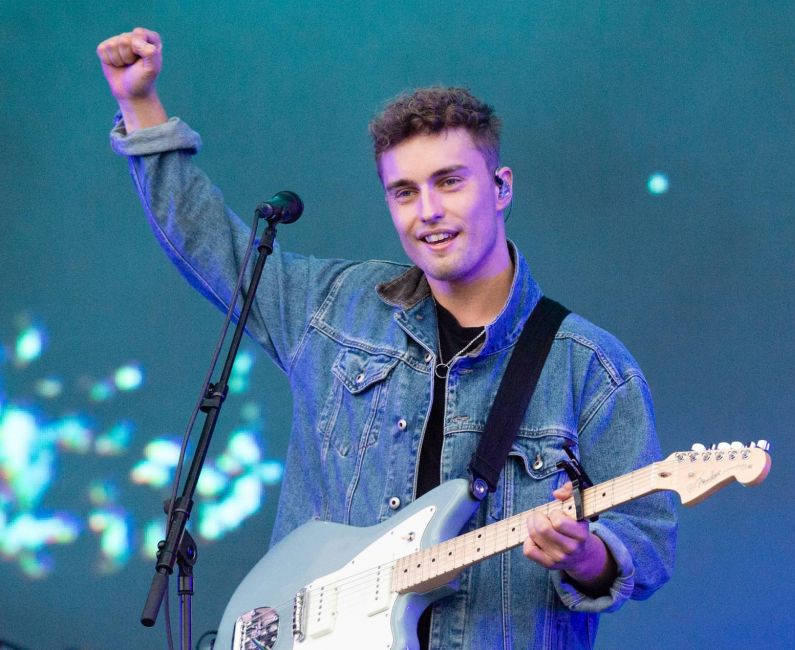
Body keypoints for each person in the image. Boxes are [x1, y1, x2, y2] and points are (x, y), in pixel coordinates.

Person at [97, 27, 675, 649]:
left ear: (501, 186)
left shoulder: (588, 365)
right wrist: (141, 107)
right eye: (404, 192)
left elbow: (648, 535)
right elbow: (213, 246)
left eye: (449, 181)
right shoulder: (334, 308)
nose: (426, 210)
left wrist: (588, 558)